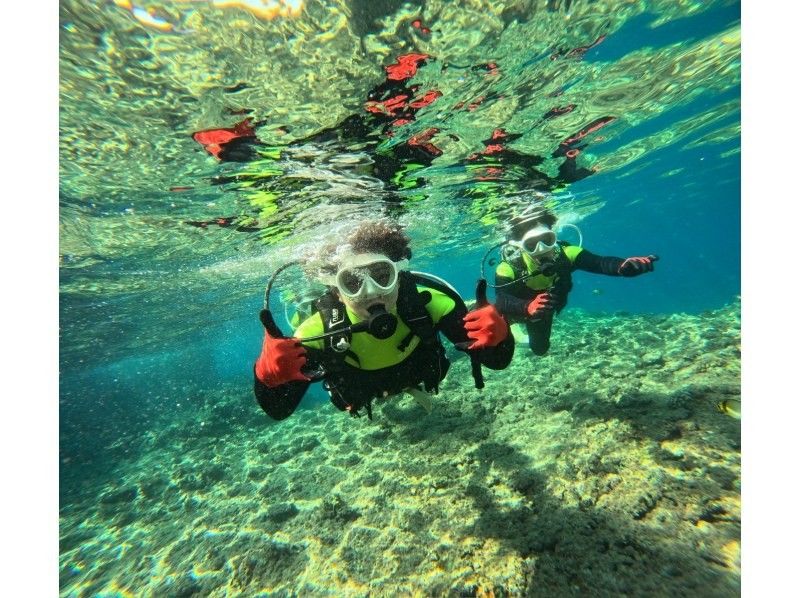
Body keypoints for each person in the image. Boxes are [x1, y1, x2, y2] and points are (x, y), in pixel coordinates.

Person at [253, 220, 515, 420]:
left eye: (382, 275)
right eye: (352, 282)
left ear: (399, 277)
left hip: (416, 374)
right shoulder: (318, 331)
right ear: (337, 292)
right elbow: (278, 410)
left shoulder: (431, 304)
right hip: (361, 393)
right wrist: (266, 376)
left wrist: (500, 338)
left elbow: (497, 362)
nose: (370, 291)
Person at [493, 206, 657, 356]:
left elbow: (599, 263)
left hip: (542, 309)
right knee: (496, 338)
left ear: (554, 237)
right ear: (521, 246)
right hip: (515, 307)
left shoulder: (567, 253)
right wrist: (527, 307)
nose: (541, 249)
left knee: (540, 349)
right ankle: (512, 327)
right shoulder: (508, 267)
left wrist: (622, 266)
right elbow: (502, 299)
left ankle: (522, 336)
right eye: (531, 244)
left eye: (547, 240)